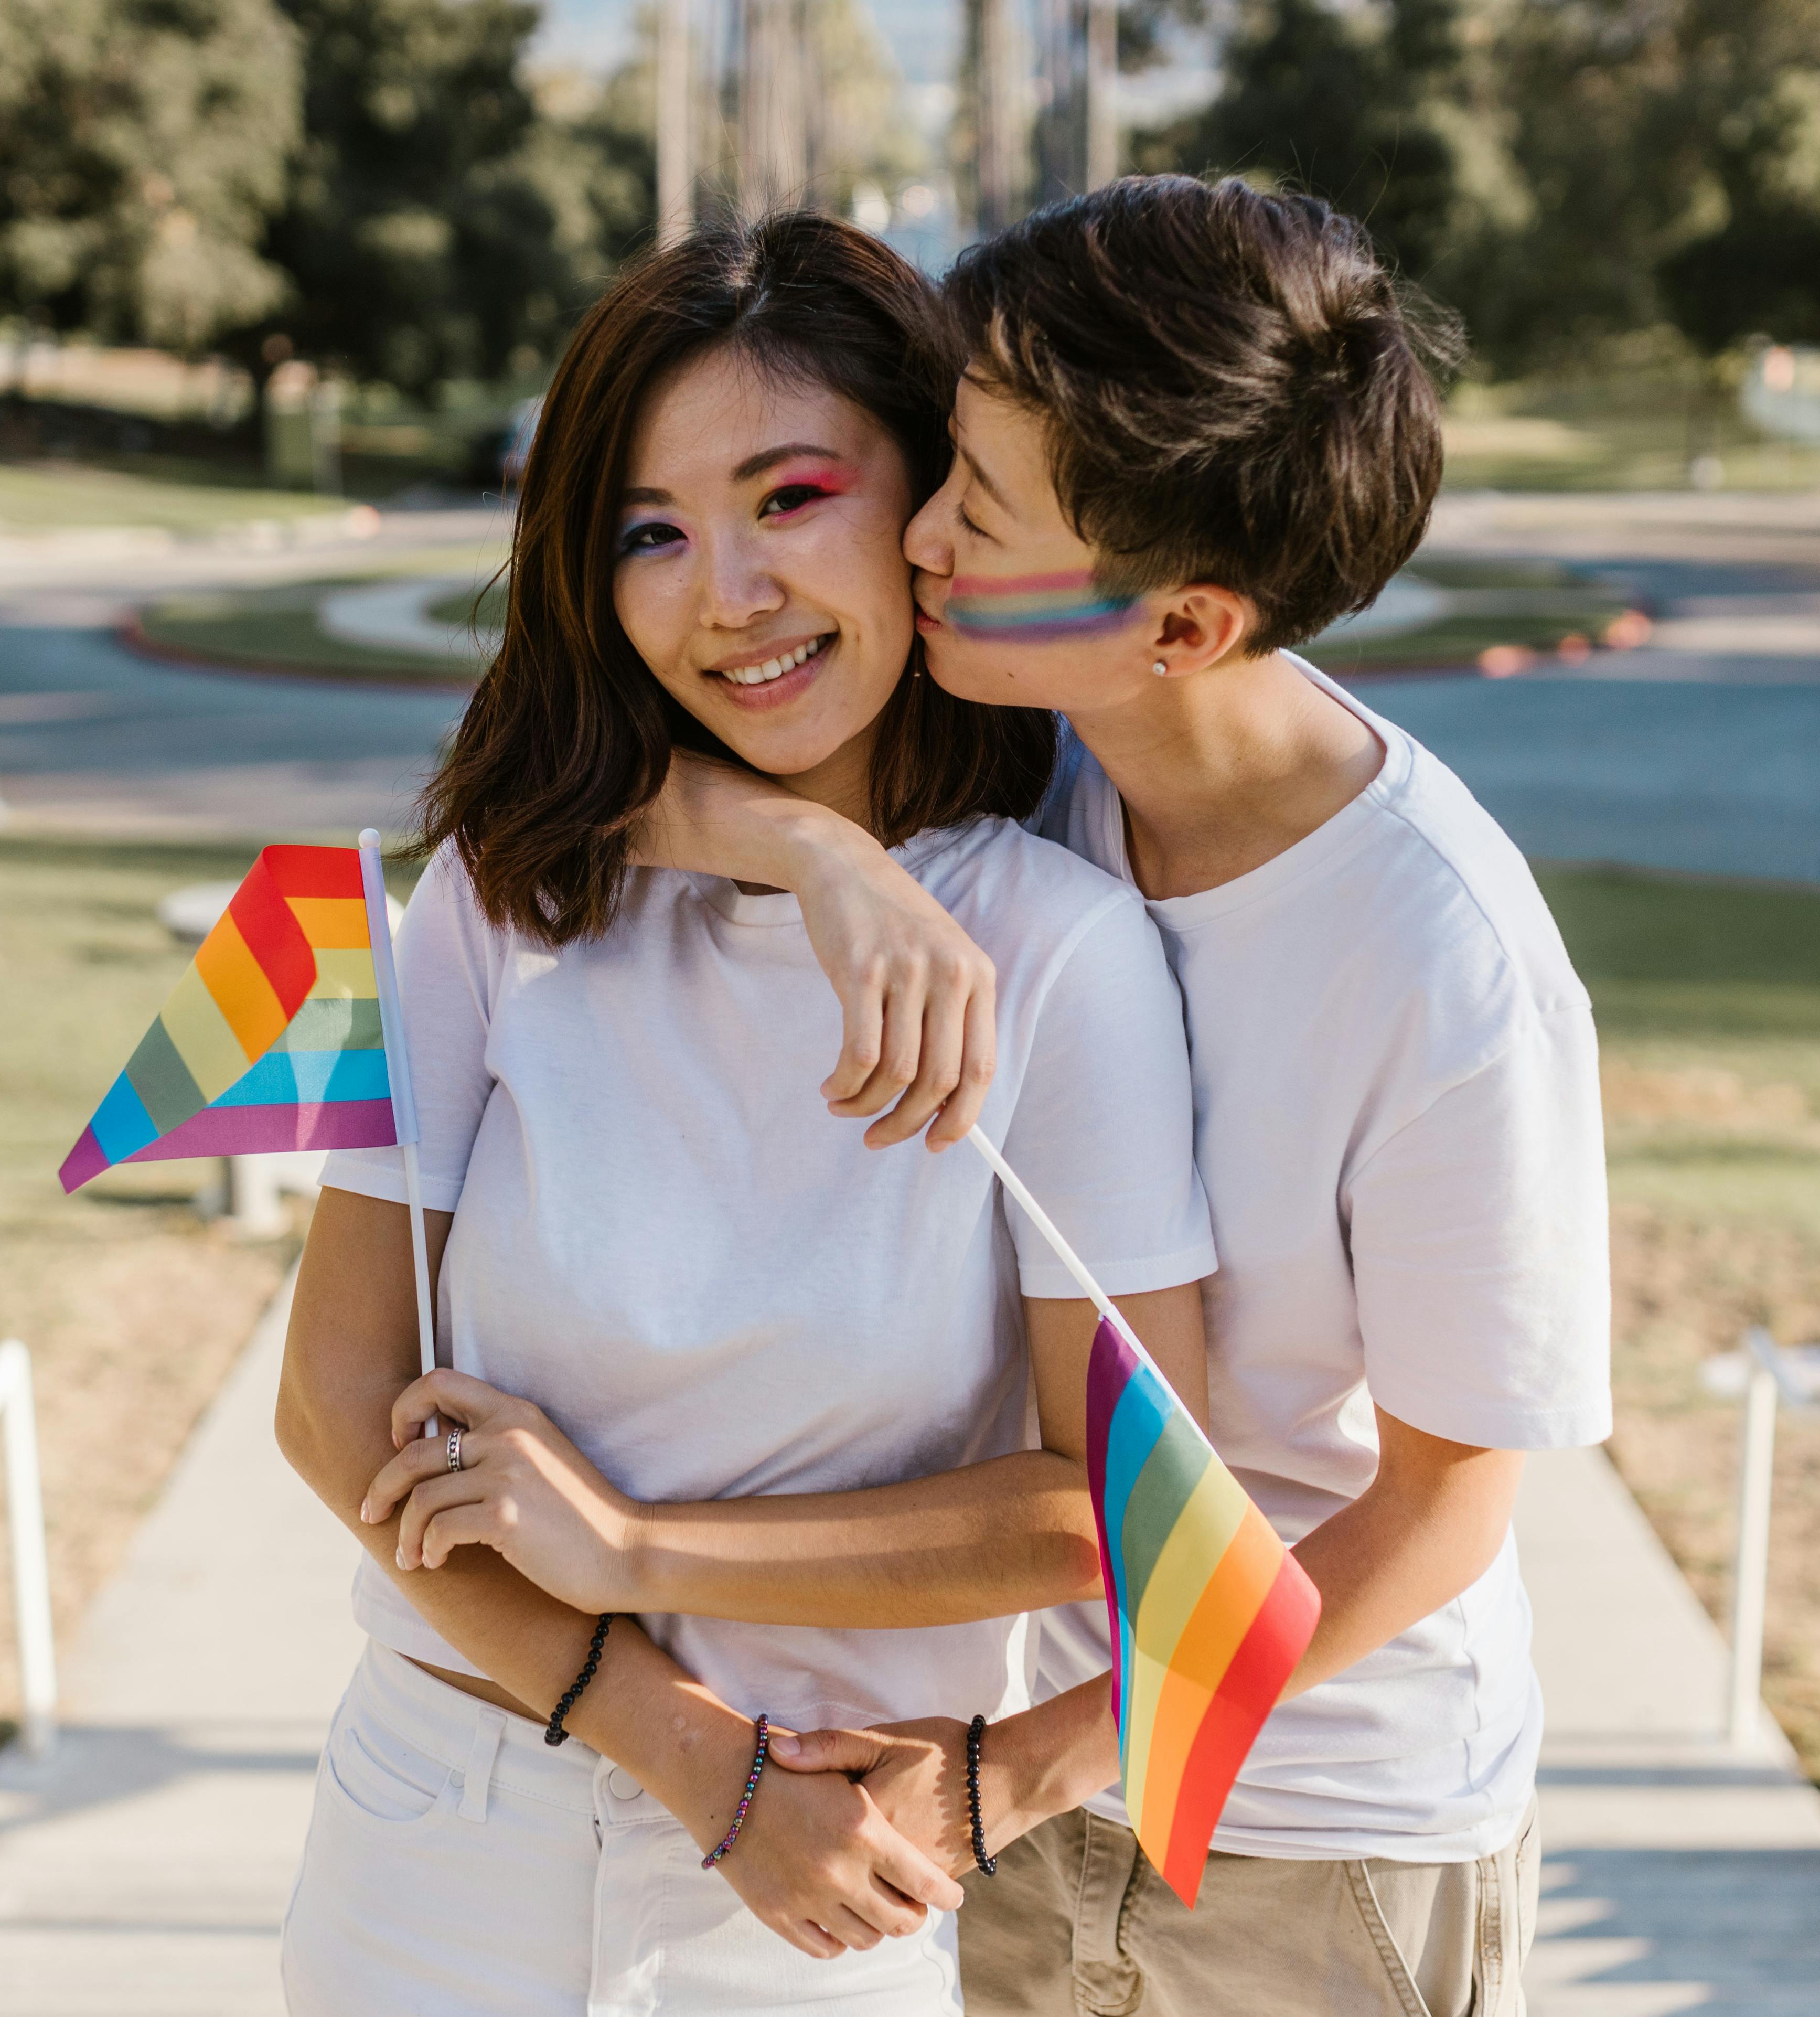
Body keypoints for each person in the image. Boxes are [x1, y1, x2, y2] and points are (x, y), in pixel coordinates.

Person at [640, 176, 1613, 2017]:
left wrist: (1036, 1765)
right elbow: (584, 782)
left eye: (975, 510)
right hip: (1010, 1770)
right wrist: (805, 846)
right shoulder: (1024, 738)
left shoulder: (1449, 967)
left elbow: (1437, 1518)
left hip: (1319, 1843)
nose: (914, 535)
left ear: (1183, 626)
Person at [271, 211, 1218, 2016]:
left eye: (790, 497)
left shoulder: (1064, 953)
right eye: (653, 532)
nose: (729, 596)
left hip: (816, 1888)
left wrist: (638, 1558)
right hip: (434, 1825)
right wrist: (689, 1757)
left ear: (929, 502)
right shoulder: (500, 894)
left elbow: (1124, 1510)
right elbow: (333, 1413)